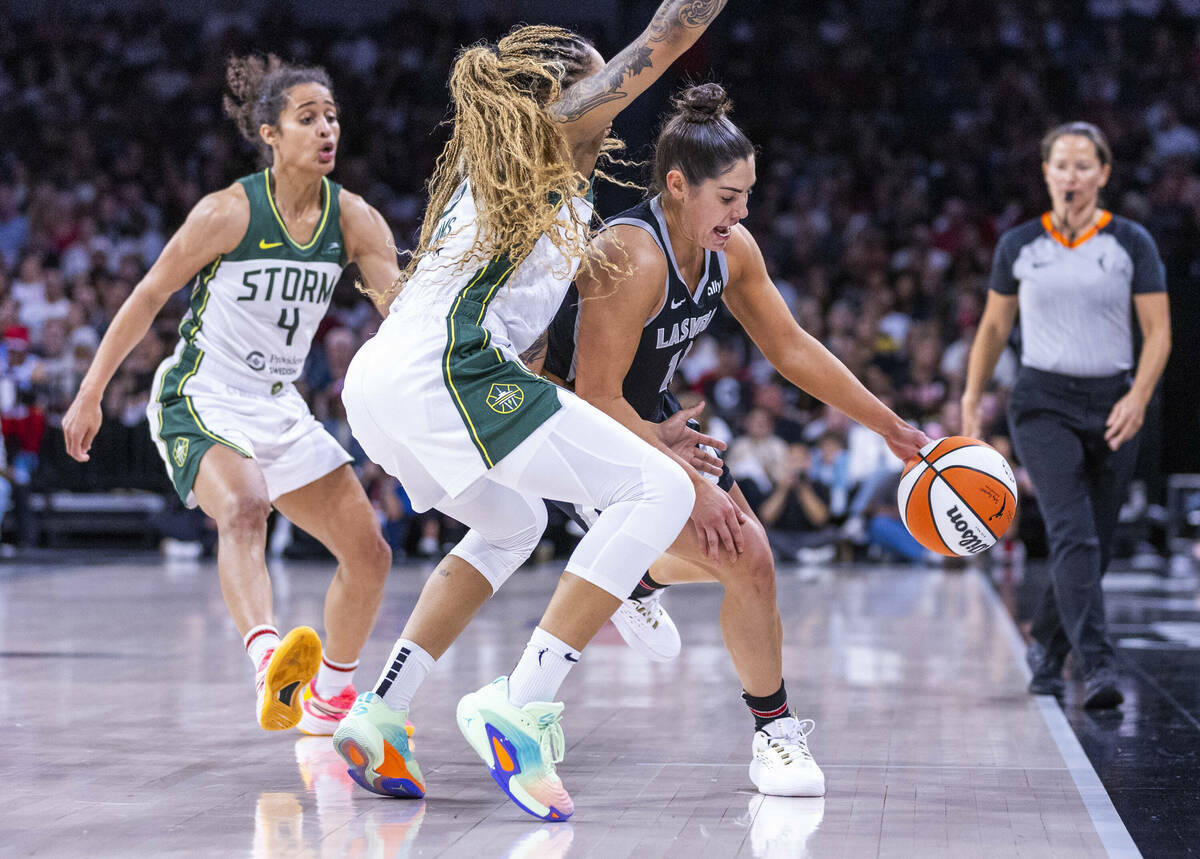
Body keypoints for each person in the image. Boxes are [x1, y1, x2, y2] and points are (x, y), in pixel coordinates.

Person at [333, 5, 732, 822]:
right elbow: (666, 41)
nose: (608, 94)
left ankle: (379, 712)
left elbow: (532, 364)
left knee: (515, 520)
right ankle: (521, 702)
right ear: (555, 94)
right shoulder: (539, 141)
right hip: (439, 371)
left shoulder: (563, 199)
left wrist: (633, 435)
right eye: (594, 76)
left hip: (405, 379)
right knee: (659, 493)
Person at [540, 83, 929, 798]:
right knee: (746, 550)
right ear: (678, 185)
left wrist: (891, 425)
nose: (742, 211)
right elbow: (592, 394)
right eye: (728, 197)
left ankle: (638, 577)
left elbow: (790, 346)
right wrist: (683, 476)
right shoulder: (630, 254)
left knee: (750, 559)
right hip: (572, 424)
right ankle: (774, 733)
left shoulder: (731, 249)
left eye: (748, 194)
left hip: (648, 418)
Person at [62, 56, 396, 734]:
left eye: (332, 116)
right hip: (202, 390)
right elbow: (150, 294)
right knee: (244, 506)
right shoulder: (229, 211)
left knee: (371, 553)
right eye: (308, 119)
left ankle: (328, 699)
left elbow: (406, 321)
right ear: (270, 133)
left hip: (278, 401)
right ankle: (272, 664)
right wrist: (91, 390)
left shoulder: (356, 220)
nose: (327, 129)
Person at [962, 121, 1171, 709]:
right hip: (1041, 404)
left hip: (1115, 404)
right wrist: (970, 399)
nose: (1071, 176)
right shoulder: (1020, 244)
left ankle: (1048, 652)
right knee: (1072, 531)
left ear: (1103, 175)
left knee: (1094, 544)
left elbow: (1158, 335)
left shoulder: (1131, 242)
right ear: (1046, 173)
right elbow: (996, 327)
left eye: (1084, 166)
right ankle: (1099, 667)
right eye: (1061, 165)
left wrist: (1138, 396)